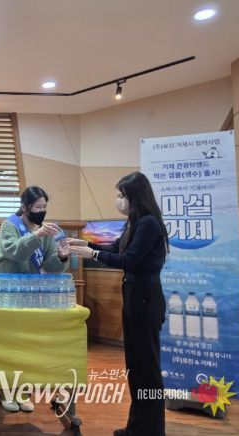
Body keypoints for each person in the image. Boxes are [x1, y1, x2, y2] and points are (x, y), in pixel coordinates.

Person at [67, 171, 169, 436]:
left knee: (147, 369)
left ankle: (152, 430)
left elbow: (128, 260)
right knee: (135, 367)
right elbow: (115, 249)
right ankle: (137, 427)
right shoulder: (134, 222)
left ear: (136, 196)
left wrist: (92, 254)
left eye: (122, 195)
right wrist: (84, 244)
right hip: (134, 297)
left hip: (145, 299)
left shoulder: (148, 223)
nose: (118, 200)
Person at [0, 185, 70, 412]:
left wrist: (62, 257)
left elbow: (51, 266)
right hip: (6, 292)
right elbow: (14, 252)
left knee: (26, 343)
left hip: (31, 293)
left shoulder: (46, 231)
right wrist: (37, 235)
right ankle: (4, 392)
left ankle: (23, 392)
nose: (42, 211)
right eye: (37, 207)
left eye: (44, 207)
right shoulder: (10, 225)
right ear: (25, 207)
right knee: (6, 343)